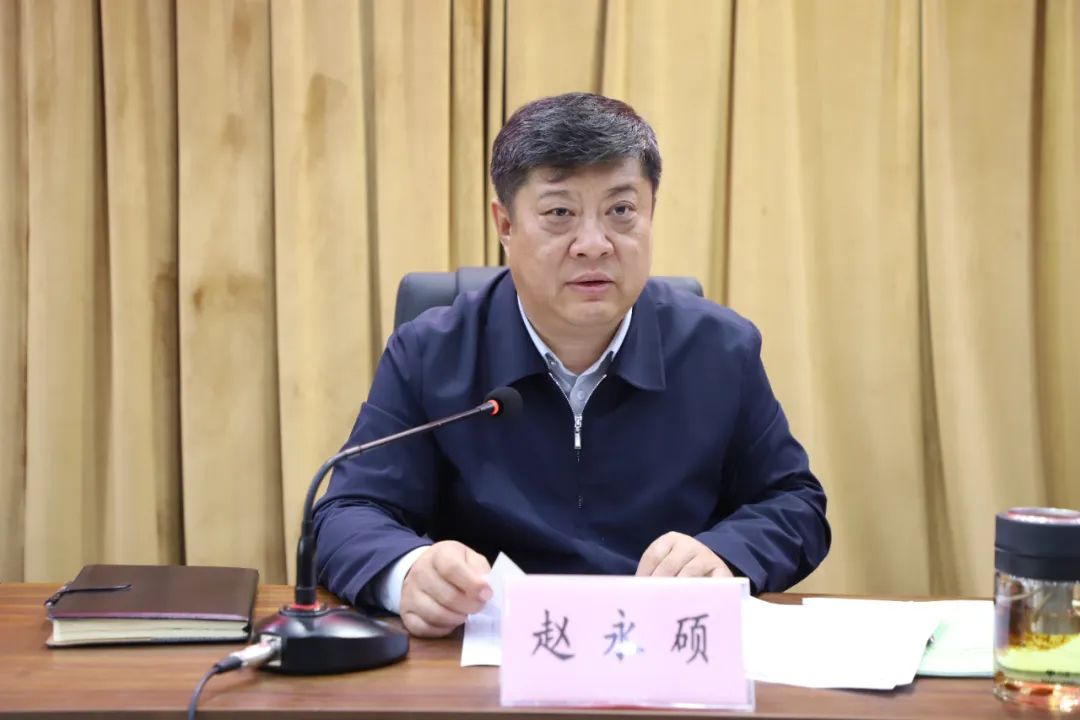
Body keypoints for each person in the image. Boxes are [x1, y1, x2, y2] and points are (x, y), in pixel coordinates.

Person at [314, 92, 830, 638]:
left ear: (651, 213)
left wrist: (725, 553)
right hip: (487, 655)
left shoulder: (720, 350)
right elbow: (347, 512)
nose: (593, 244)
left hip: (663, 651)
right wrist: (409, 571)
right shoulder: (430, 352)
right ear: (505, 225)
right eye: (559, 213)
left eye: (621, 211)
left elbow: (794, 504)